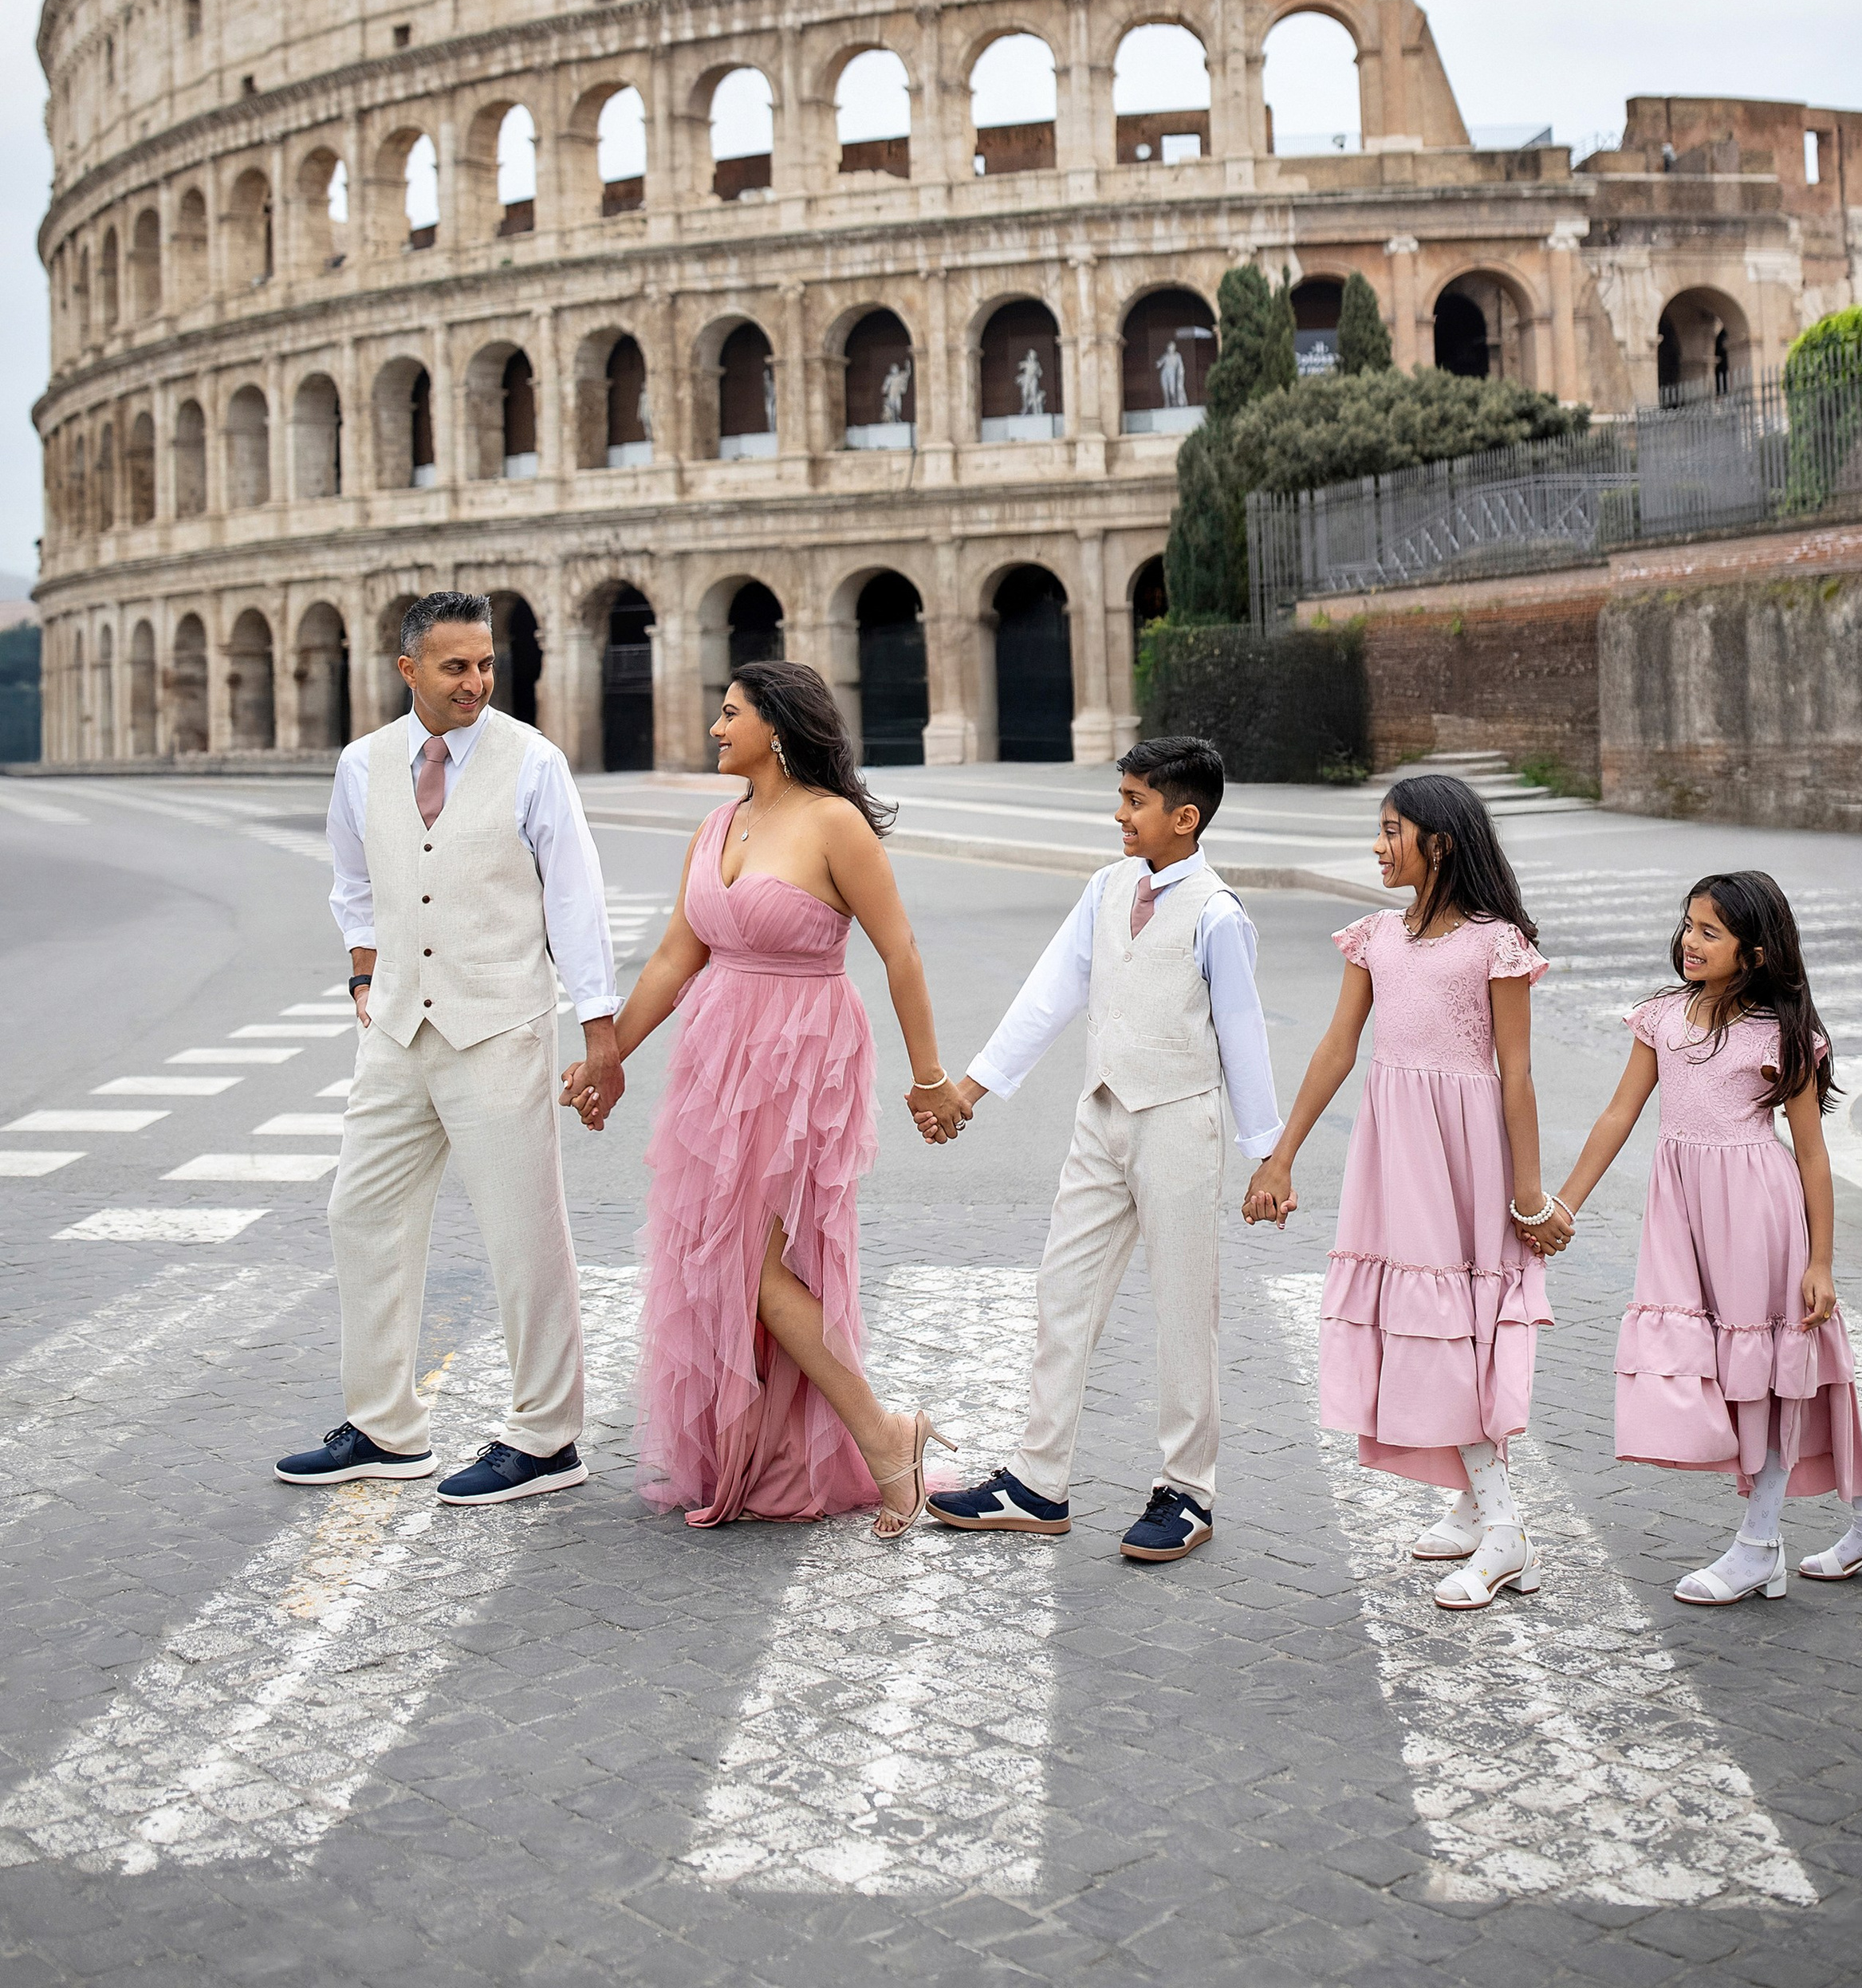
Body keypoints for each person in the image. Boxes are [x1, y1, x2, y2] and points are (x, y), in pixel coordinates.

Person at [560, 662, 972, 1536]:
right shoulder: (717, 825)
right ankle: (823, 1442)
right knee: (722, 1254)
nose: (715, 727)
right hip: (716, 1063)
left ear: (776, 726)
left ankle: (884, 1435)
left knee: (755, 1261)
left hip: (803, 1061)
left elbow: (899, 951)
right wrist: (607, 1055)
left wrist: (929, 1076)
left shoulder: (833, 823)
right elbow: (675, 957)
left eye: (729, 712)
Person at [277, 589, 618, 1505]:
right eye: (455, 665)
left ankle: (547, 1437)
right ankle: (385, 1428)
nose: (475, 681)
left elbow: (575, 899)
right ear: (408, 668)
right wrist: (362, 973)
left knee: (523, 1232)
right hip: (394, 1029)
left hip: (499, 1027)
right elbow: (354, 882)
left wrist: (599, 1029)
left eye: (485, 664)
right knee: (360, 1212)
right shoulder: (362, 764)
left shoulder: (533, 761)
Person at [927, 736, 1279, 1566]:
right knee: (1063, 1289)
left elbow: (1243, 1030)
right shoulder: (1105, 887)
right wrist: (970, 1088)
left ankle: (1187, 1490)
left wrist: (1268, 1154)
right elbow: (1050, 991)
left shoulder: (1217, 912)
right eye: (1121, 797)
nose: (1118, 813)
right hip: (1101, 1115)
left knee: (1183, 1307)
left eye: (1133, 801)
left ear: (1184, 817)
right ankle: (1036, 1481)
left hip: (1178, 1122)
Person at [1547, 870, 1862, 1603]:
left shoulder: (1780, 1035)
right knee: (1755, 1369)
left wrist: (1821, 1261)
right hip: (1685, 1214)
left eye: (1710, 932)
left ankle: (1759, 1545)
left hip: (1757, 1217)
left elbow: (1811, 1155)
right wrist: (1565, 1204)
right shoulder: (1662, 1017)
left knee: (1769, 1376)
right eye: (1689, 924)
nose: (1690, 940)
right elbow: (1619, 1115)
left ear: (1755, 952)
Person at [1243, 772, 1564, 1612]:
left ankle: (1505, 1528)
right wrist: (1280, 1157)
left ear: (1439, 843)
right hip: (1394, 1153)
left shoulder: (1495, 943)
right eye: (1380, 829)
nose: (1378, 845)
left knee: (1455, 1325)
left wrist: (1529, 1195)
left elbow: (1518, 1073)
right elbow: (1336, 1048)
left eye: (1393, 830)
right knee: (1428, 1322)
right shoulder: (1375, 937)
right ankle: (1473, 1504)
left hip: (1465, 1158)